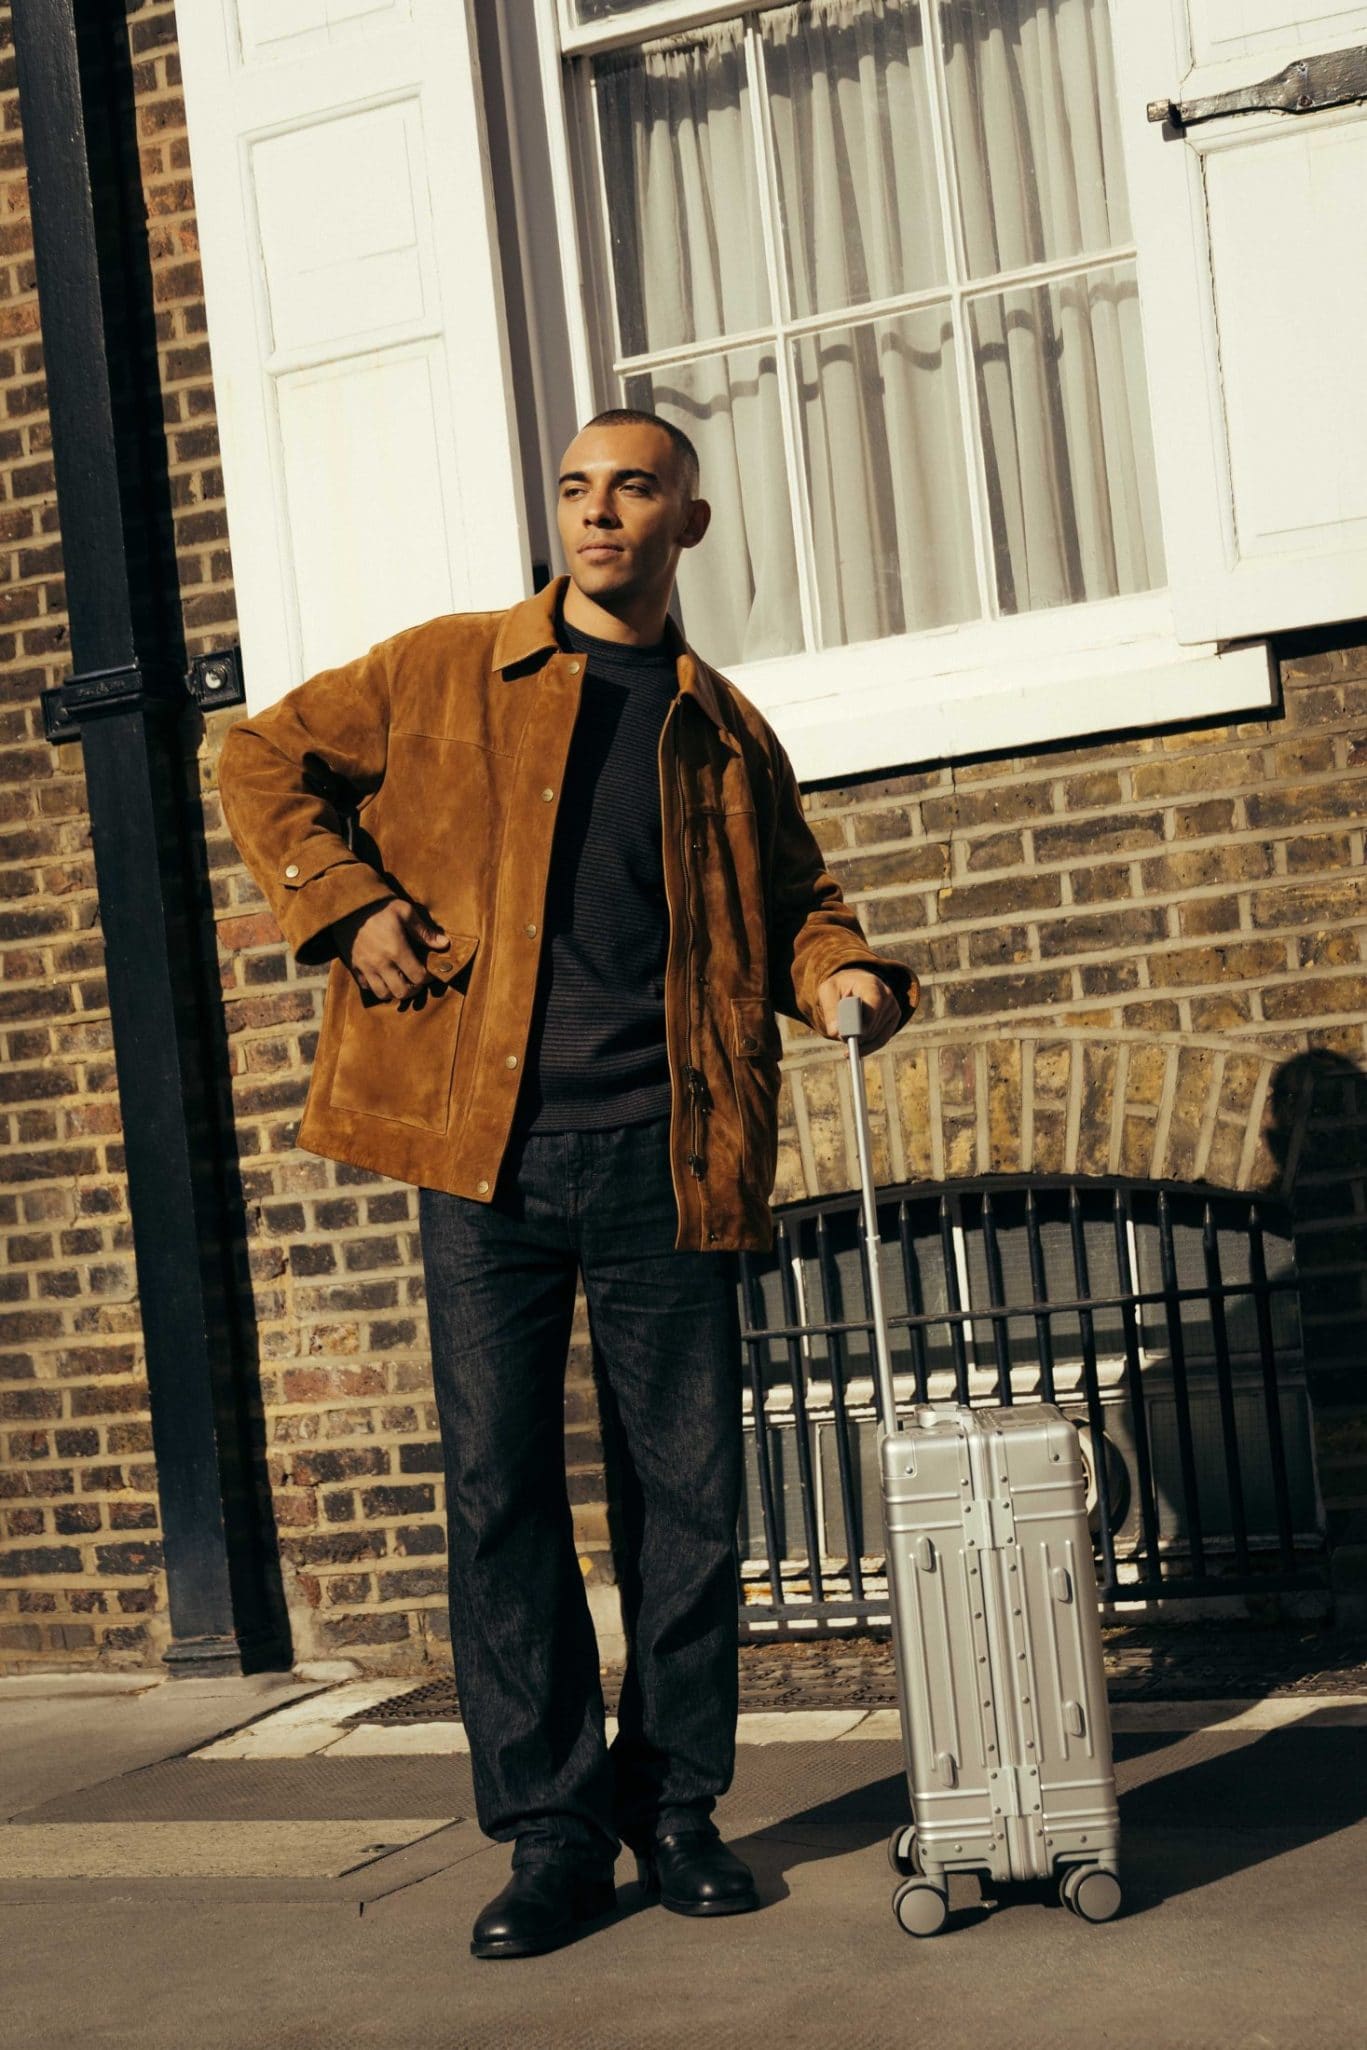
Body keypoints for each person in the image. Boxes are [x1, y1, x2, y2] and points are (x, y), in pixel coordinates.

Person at [218, 409, 919, 1958]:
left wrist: (847, 974)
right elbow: (255, 751)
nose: (599, 514)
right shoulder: (447, 668)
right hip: (488, 1158)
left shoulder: (726, 729)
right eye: (578, 489)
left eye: (634, 490)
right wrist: (344, 905)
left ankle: (671, 1810)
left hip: (672, 1154)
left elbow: (801, 902)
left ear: (691, 521)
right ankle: (548, 1833)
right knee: (501, 1494)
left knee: (691, 1498)